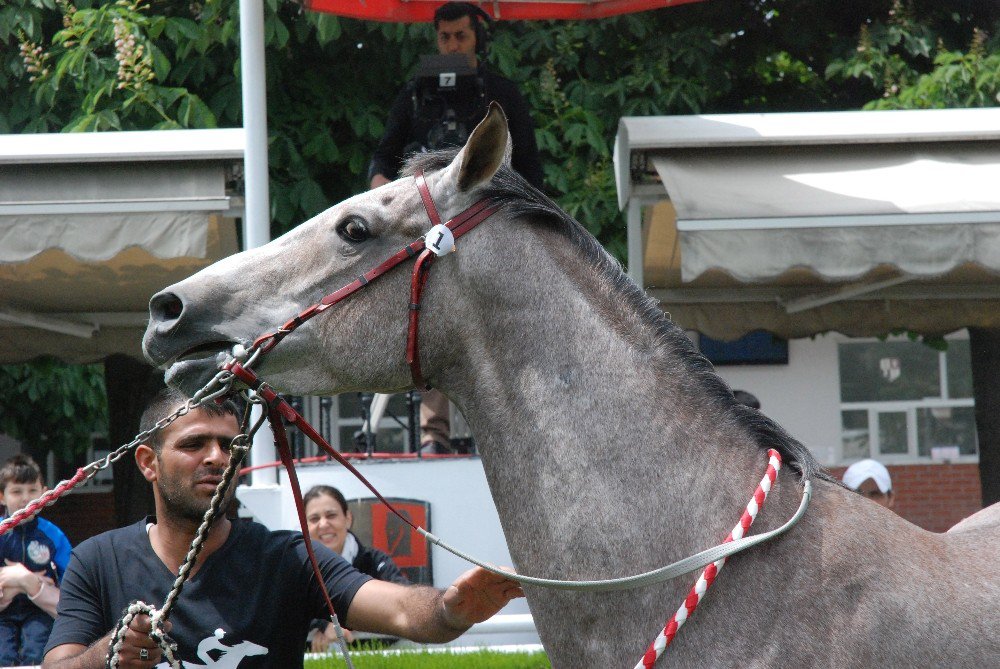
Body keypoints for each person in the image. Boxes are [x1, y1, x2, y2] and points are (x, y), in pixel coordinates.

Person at [42, 388, 523, 668]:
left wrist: (451, 608)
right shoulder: (97, 559)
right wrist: (106, 654)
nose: (216, 457)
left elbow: (399, 610)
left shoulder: (288, 558)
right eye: (194, 444)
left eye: (229, 445)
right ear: (148, 462)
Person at [303, 484, 408, 651]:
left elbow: (405, 600)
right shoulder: (297, 568)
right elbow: (281, 610)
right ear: (304, 526)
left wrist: (342, 624)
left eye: (331, 515)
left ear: (348, 519)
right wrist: (322, 625)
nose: (323, 524)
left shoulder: (375, 560)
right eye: (314, 519)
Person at [0, 454, 70, 667]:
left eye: (32, 490)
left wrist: (21, 580)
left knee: (37, 653)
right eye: (16, 491)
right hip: (3, 614)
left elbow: (71, 582)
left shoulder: (53, 535)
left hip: (38, 612)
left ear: (44, 493)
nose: (25, 498)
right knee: (3, 656)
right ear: (2, 496)